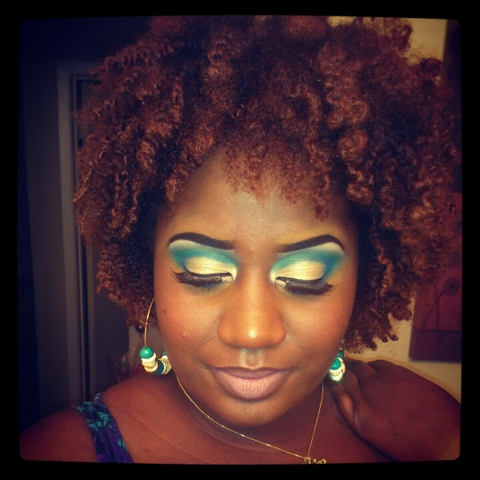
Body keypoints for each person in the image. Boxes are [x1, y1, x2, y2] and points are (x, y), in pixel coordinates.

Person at [19, 15, 461, 464]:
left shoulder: (414, 432)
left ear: (364, 276)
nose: (251, 333)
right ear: (147, 263)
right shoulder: (60, 450)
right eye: (203, 272)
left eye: (306, 276)